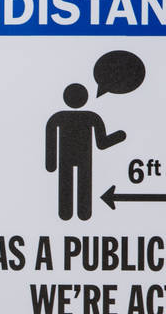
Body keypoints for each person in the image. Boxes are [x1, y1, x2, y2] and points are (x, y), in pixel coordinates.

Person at [45, 82, 127, 221]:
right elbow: (102, 143)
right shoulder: (91, 117)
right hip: (83, 158)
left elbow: (51, 139)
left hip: (67, 158)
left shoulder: (58, 117)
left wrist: (51, 164)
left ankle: (67, 213)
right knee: (83, 183)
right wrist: (119, 136)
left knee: (69, 182)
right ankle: (82, 213)